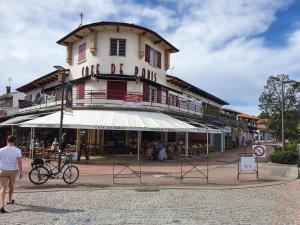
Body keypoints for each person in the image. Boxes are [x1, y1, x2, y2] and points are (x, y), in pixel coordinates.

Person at [0, 135, 23, 213]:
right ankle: (10, 200)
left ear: (7, 141)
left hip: (3, 170)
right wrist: (21, 171)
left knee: (3, 187)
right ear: (14, 141)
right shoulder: (17, 150)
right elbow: (19, 162)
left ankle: (2, 205)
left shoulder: (1, 150)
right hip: (13, 171)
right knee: (11, 186)